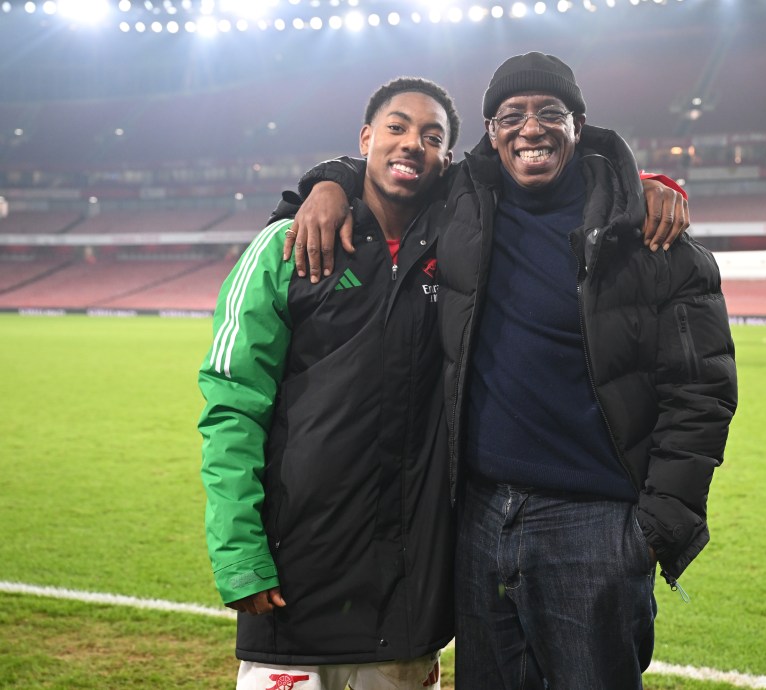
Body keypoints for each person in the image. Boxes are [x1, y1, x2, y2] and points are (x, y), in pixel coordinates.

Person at [287, 52, 738, 690]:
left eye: (549, 113)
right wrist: (328, 182)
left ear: (578, 126)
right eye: (511, 116)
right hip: (477, 515)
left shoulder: (651, 238)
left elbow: (703, 388)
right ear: (492, 133)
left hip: (595, 526)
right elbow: (394, 170)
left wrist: (654, 529)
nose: (530, 129)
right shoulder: (464, 202)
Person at [197, 77, 461, 690]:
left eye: (432, 136)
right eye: (396, 127)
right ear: (366, 138)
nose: (412, 143)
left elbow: (540, 165)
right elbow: (233, 404)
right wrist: (239, 555)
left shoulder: (461, 249)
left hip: (406, 601)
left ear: (448, 158)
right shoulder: (284, 246)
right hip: (295, 588)